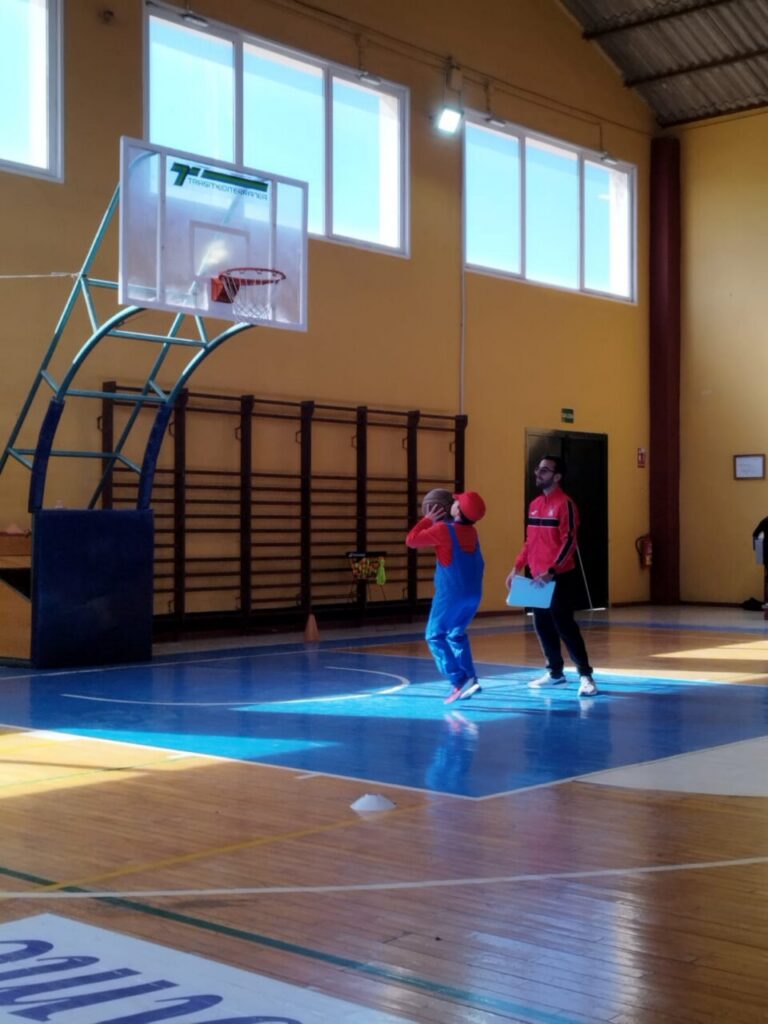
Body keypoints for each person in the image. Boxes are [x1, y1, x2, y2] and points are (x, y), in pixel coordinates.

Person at [506, 456, 598, 696]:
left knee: (565, 626)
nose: (539, 473)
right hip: (536, 578)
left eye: (545, 470)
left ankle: (586, 676)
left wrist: (553, 570)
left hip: (558, 577)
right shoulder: (535, 503)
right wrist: (516, 567)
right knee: (542, 624)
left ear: (557, 477)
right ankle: (555, 673)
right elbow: (530, 541)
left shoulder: (565, 504)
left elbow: (570, 542)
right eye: (538, 469)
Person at [406, 491, 486, 704]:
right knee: (456, 635)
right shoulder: (473, 532)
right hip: (474, 595)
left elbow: (411, 540)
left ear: (458, 510)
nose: (452, 502)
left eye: (456, 501)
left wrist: (427, 520)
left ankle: (458, 681)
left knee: (434, 635)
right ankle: (471, 678)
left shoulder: (442, 530)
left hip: (451, 595)